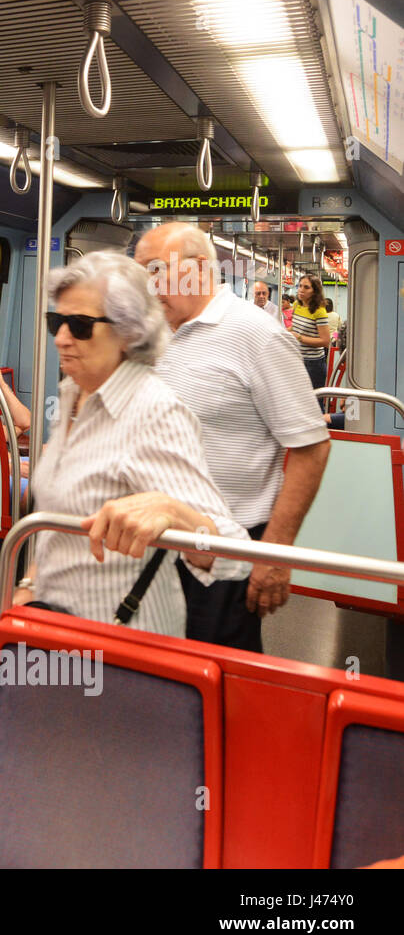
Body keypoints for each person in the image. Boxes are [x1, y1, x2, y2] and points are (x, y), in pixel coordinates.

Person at [11, 251, 248, 638]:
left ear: (128, 332)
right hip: (54, 627)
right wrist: (29, 586)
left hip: (124, 641)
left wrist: (172, 511)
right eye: (56, 321)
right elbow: (58, 518)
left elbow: (232, 555)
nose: (61, 338)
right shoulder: (73, 395)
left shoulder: (154, 411)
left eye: (80, 325)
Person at [135, 222, 329, 652]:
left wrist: (274, 554)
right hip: (151, 541)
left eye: (155, 271)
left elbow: (311, 450)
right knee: (149, 682)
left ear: (200, 268)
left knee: (216, 685)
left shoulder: (257, 336)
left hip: (223, 549)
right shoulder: (152, 335)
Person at [291, 274, 332, 396]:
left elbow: (325, 341)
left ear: (315, 292)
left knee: (314, 401)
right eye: (300, 286)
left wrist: (299, 337)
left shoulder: (319, 311)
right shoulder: (297, 305)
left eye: (306, 287)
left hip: (313, 364)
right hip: (298, 359)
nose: (301, 290)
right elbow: (296, 327)